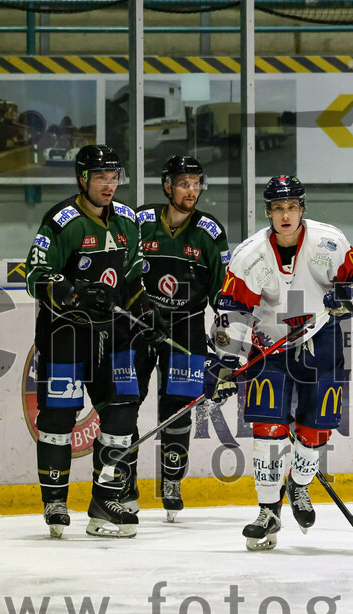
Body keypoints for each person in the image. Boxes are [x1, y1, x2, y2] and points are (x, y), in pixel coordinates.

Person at [208, 175, 353, 551]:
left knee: (317, 428)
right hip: (269, 345)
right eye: (278, 208)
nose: (285, 215)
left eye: (292, 207)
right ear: (268, 212)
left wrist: (348, 296)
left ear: (302, 209)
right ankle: (267, 511)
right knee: (266, 428)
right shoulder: (250, 255)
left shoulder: (330, 242)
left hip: (320, 340)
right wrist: (228, 363)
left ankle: (298, 485)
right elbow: (233, 309)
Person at [25, 144, 166, 539]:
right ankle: (54, 500)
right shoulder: (62, 221)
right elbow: (35, 277)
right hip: (65, 335)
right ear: (82, 179)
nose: (109, 184)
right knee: (58, 418)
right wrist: (74, 291)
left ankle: (105, 500)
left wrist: (148, 312)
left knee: (122, 413)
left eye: (114, 176)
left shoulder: (126, 219)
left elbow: (134, 278)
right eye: (101, 177)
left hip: (115, 336)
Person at [122, 155, 229, 521]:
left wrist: (226, 349)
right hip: (138, 325)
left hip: (186, 328)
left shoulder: (210, 232)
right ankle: (124, 482)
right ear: (167, 186)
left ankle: (171, 481)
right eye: (184, 184)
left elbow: (224, 294)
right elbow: (123, 274)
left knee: (178, 408)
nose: (192, 191)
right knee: (125, 405)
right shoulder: (141, 223)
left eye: (197, 183)